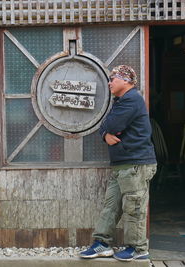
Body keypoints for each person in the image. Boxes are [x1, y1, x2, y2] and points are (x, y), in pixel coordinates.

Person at [79, 65, 157, 262]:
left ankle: (138, 248)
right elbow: (106, 126)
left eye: (113, 78)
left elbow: (112, 124)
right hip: (122, 165)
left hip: (135, 165)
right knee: (111, 206)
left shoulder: (131, 100)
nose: (109, 82)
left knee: (134, 206)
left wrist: (107, 130)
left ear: (126, 80)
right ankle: (102, 244)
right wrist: (105, 134)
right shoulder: (122, 101)